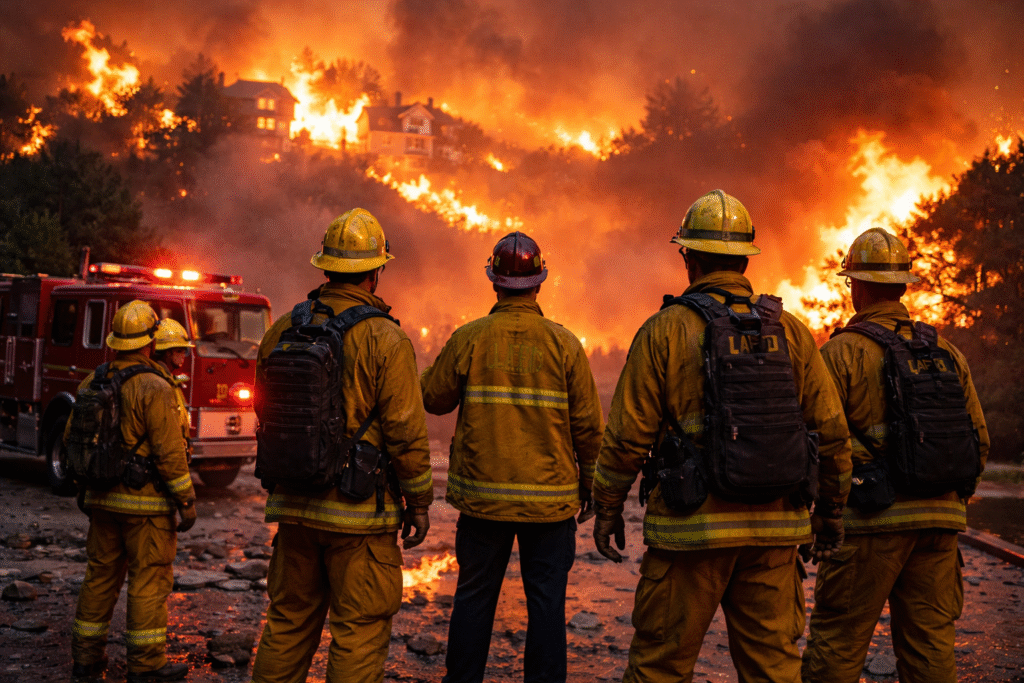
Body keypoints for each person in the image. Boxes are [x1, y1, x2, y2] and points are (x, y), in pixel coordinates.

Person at [591, 190, 852, 682]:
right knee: (773, 669)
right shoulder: (792, 333)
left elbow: (627, 437)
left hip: (692, 533)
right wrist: (831, 515)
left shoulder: (665, 331)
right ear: (744, 260)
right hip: (776, 533)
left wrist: (607, 507)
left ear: (688, 256)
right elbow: (832, 434)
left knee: (660, 668)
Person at [249, 208, 433, 683]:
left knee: (287, 624)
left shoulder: (283, 329)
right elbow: (406, 431)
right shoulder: (385, 338)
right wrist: (419, 502)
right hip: (359, 514)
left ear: (325, 267)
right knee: (359, 630)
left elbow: (265, 407)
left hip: (293, 503)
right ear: (376, 272)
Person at [802, 228, 989, 683]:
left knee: (838, 646)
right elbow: (979, 443)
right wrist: (946, 500)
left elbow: (823, 443)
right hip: (940, 524)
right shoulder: (946, 352)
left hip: (868, 525)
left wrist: (824, 516)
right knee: (930, 650)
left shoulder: (839, 353)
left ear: (859, 287)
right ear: (903, 286)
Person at [421, 231, 604, 683]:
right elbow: (588, 428)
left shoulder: (470, 338)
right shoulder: (566, 345)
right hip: (550, 505)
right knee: (546, 605)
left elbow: (432, 398)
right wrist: (592, 489)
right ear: (540, 282)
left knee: (474, 597)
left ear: (494, 282)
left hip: (483, 504)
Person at [70, 300, 196, 683]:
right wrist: (186, 501)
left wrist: (85, 487)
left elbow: (72, 439)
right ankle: (146, 665)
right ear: (151, 342)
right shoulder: (154, 386)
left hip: (101, 499)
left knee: (100, 577)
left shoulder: (93, 381)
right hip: (146, 508)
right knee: (148, 581)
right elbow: (169, 452)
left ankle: (86, 659)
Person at [152, 318, 193, 461]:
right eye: (180, 350)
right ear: (167, 353)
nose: (184, 355)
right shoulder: (158, 383)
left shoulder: (170, 381)